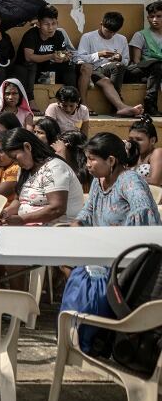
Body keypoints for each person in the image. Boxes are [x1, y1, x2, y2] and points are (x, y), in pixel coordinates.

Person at [60, 133, 162, 354]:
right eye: (87, 159)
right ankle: (88, 327)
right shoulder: (99, 181)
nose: (87, 165)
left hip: (131, 256)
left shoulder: (129, 180)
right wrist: (78, 223)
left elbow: (143, 211)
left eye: (92, 159)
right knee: (67, 263)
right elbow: (88, 211)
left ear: (112, 161)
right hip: (103, 249)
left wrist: (120, 233)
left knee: (90, 278)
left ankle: (94, 333)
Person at [0, 127, 85, 226]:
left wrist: (22, 219)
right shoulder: (24, 170)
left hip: (57, 229)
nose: (16, 163)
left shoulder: (54, 168)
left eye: (15, 157)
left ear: (27, 147)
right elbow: (19, 200)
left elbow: (57, 208)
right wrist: (6, 213)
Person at [77, 11, 142, 116]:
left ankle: (120, 107)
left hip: (114, 70)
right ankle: (120, 106)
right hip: (94, 70)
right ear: (101, 24)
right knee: (106, 80)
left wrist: (119, 58)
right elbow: (80, 58)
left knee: (118, 67)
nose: (110, 35)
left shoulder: (122, 39)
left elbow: (126, 61)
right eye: (107, 31)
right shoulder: (88, 37)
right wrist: (99, 54)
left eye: (113, 32)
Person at [18, 5, 77, 97]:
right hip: (32, 74)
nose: (51, 28)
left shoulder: (59, 35)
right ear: (38, 24)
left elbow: (60, 55)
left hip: (48, 74)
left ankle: (72, 98)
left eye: (54, 24)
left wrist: (65, 57)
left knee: (69, 67)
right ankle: (30, 100)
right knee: (31, 66)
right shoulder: (31, 35)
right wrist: (51, 56)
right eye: (46, 24)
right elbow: (29, 57)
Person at [127, 0, 162, 117]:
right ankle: (150, 104)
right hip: (142, 69)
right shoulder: (140, 35)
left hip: (157, 72)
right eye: (152, 17)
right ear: (148, 18)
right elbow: (136, 60)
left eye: (159, 16)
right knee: (157, 66)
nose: (155, 20)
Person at [126, 117, 162, 187]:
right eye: (131, 139)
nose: (134, 142)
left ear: (152, 141)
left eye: (139, 139)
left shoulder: (157, 153)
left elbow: (155, 181)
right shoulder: (134, 155)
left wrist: (128, 177)